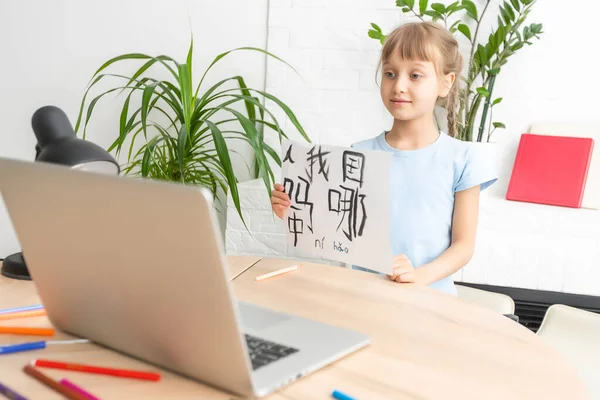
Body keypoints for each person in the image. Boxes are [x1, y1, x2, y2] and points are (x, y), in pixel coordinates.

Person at [270, 21, 497, 295]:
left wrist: (418, 276)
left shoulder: (463, 159)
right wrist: (294, 212)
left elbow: (463, 246)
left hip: (431, 300)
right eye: (390, 73)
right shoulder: (359, 153)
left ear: (445, 84)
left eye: (415, 76)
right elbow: (341, 235)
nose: (398, 86)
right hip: (365, 297)